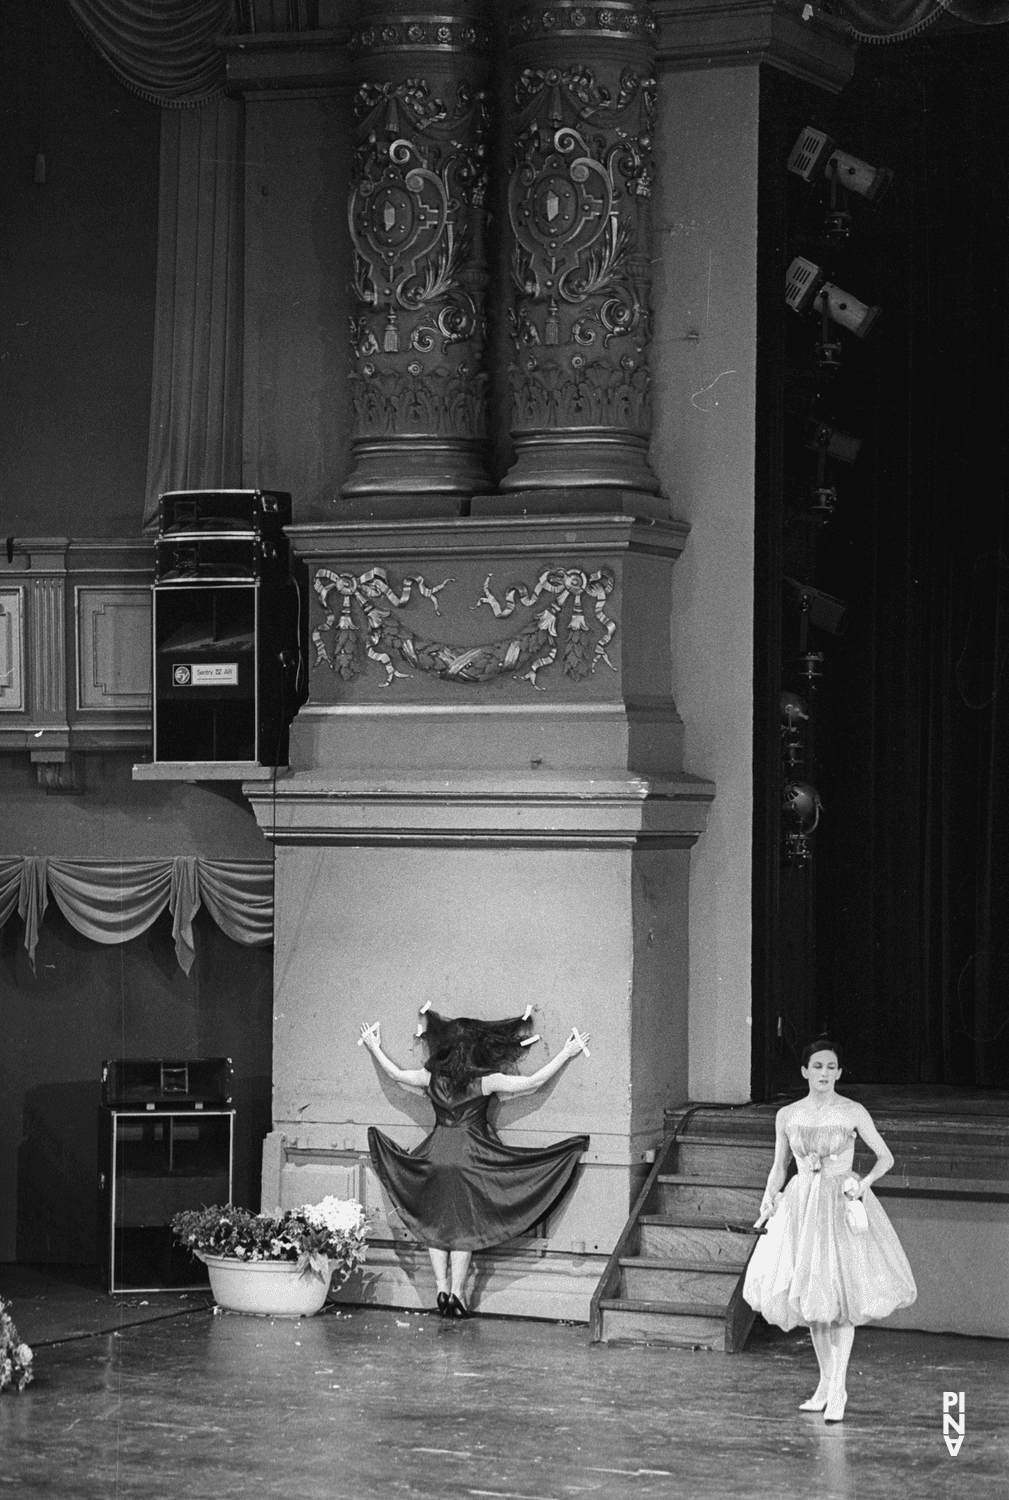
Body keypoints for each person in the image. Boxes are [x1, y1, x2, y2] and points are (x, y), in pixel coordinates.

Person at [359, 1006, 590, 1318]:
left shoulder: (432, 1077)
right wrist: (566, 1052)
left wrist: (374, 1047)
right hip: (471, 1157)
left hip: (435, 1155)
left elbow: (396, 1075)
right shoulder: (486, 1081)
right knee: (464, 1228)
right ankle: (457, 1294)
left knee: (435, 1225)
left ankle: (440, 1288)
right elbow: (534, 1082)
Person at [743, 1036, 916, 1422]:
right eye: (817, 1066)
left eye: (831, 1067)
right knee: (815, 1304)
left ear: (839, 1072)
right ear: (805, 1071)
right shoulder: (787, 1115)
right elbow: (779, 1165)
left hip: (839, 1206)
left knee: (840, 1302)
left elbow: (886, 1158)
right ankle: (824, 1384)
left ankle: (838, 1388)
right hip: (802, 1206)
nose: (824, 1073)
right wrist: (769, 1198)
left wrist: (863, 1183)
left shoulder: (853, 1111)